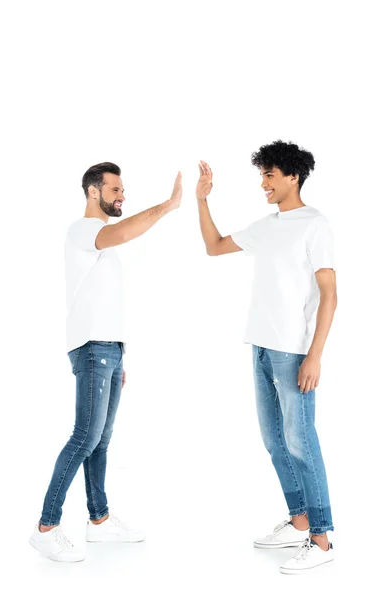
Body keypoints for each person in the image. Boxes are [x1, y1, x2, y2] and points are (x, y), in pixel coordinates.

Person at [195, 141, 337, 574]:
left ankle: (322, 539)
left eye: (269, 175)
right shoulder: (268, 225)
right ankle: (299, 521)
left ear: (292, 176)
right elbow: (215, 246)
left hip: (293, 351)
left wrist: (314, 355)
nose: (263, 184)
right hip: (259, 345)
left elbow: (330, 294)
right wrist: (203, 200)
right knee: (275, 441)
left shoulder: (315, 224)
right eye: (262, 176)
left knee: (301, 442)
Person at [29, 162, 182, 562]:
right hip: (93, 349)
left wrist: (118, 356)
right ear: (94, 191)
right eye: (115, 189)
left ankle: (98, 521)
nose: (122, 196)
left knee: (100, 440)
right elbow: (124, 230)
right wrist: (167, 206)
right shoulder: (84, 231)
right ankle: (46, 527)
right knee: (84, 437)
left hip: (109, 350)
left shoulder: (101, 243)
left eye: (122, 190)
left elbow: (104, 300)